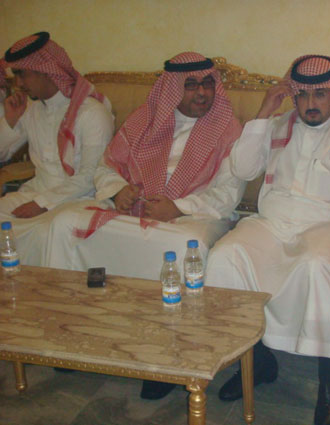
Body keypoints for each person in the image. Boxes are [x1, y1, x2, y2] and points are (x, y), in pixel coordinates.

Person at [44, 52, 245, 399]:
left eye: (207, 84)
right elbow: (106, 167)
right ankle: (75, 331)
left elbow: (229, 193)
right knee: (64, 223)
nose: (202, 93)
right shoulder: (143, 120)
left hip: (196, 216)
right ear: (171, 90)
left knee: (181, 248)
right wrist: (117, 190)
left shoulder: (227, 128)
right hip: (136, 209)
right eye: (191, 85)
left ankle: (168, 352)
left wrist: (178, 207)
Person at [205, 54, 330, 425]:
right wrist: (264, 112)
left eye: (320, 95)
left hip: (329, 226)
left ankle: (329, 378)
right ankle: (257, 358)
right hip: (273, 223)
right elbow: (243, 168)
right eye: (302, 95)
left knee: (317, 265)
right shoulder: (277, 126)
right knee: (226, 254)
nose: (310, 104)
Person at [0, 31, 114, 264]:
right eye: (15, 75)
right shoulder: (31, 109)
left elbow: (91, 176)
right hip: (36, 192)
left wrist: (42, 204)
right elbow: (3, 154)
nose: (18, 84)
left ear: (46, 71)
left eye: (22, 74)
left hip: (81, 199)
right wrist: (10, 120)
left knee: (47, 233)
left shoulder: (92, 112)